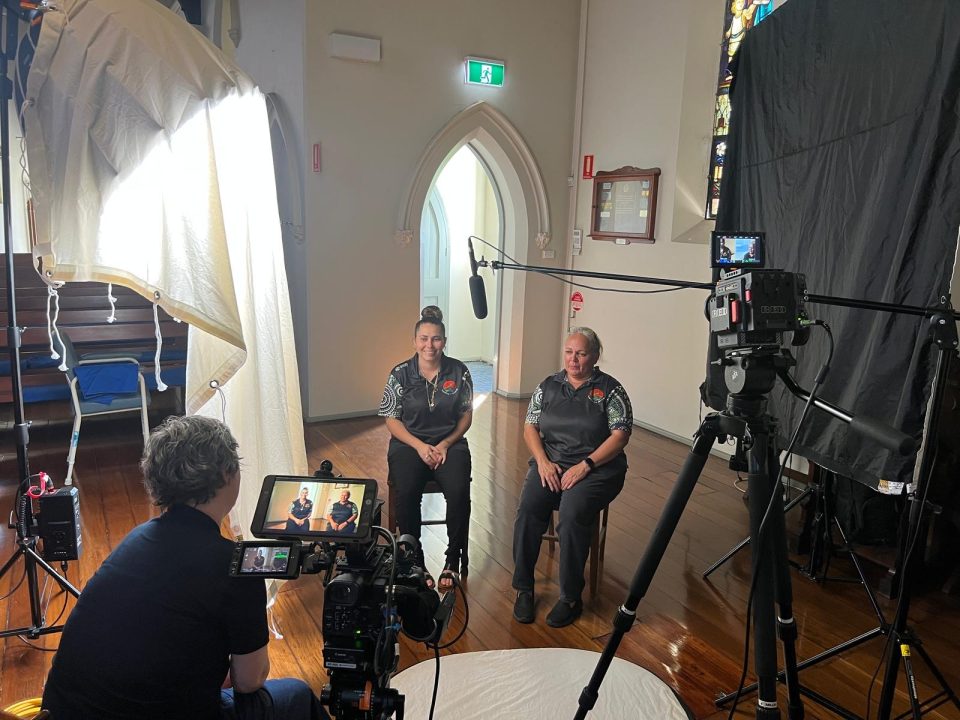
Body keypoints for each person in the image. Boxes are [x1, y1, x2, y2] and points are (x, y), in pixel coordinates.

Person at [41, 415, 327, 719]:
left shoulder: (136, 539)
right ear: (227, 474)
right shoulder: (235, 567)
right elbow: (249, 681)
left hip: (60, 711)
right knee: (297, 695)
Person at [511, 328, 632, 628]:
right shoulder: (548, 386)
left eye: (581, 353)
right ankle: (524, 588)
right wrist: (542, 461)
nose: (574, 359)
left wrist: (586, 465)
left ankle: (570, 598)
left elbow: (620, 436)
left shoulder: (611, 390)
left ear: (595, 356)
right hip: (551, 465)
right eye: (569, 352)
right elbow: (530, 426)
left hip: (598, 469)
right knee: (528, 508)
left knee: (572, 511)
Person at [379, 306, 473, 591]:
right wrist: (420, 446)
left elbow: (466, 416)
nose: (429, 345)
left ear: (444, 340)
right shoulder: (400, 373)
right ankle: (414, 558)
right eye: (423, 339)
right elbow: (391, 418)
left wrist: (445, 443)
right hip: (409, 443)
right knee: (406, 492)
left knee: (458, 492)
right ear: (415, 341)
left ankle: (452, 559)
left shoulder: (460, 371)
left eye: (435, 339)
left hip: (450, 443)